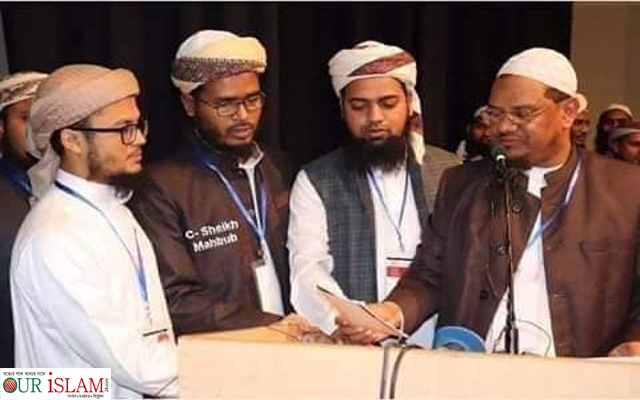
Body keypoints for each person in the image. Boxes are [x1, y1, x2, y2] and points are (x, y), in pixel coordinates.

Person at [337, 47, 640, 358]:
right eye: (495, 114)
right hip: (476, 371)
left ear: (568, 112)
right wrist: (392, 313)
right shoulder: (461, 184)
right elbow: (429, 275)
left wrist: (635, 340)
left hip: (582, 374)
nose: (503, 127)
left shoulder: (627, 189)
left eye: (522, 113)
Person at [11, 64, 178, 398]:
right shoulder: (53, 239)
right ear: (71, 139)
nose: (140, 139)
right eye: (123, 129)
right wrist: (232, 366)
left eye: (138, 125)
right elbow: (136, 366)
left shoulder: (116, 209)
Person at [131, 30, 308, 337]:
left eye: (252, 100)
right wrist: (267, 326)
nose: (243, 115)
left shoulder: (279, 166)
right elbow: (176, 298)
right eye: (225, 104)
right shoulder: (161, 187)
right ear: (190, 104)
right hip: (222, 351)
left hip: (297, 341)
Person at [288, 41, 459, 346]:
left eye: (388, 103)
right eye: (359, 106)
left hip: (440, 343)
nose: (374, 117)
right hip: (352, 345)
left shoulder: (451, 171)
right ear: (342, 109)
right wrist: (348, 323)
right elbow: (307, 268)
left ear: (410, 103)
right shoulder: (316, 179)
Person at [0, 71, 47, 368]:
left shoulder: (83, 187)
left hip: (77, 364)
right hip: (15, 374)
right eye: (26, 118)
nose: (38, 130)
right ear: (1, 127)